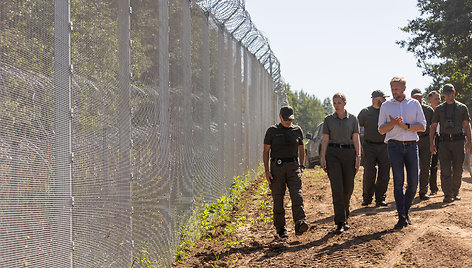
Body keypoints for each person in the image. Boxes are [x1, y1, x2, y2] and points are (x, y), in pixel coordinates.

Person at [378, 76, 426, 229]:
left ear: (404, 89)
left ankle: (405, 211)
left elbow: (422, 126)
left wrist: (405, 126)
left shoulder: (414, 104)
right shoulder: (386, 106)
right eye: (392, 89)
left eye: (396, 89)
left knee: (413, 183)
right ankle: (401, 216)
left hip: (412, 146)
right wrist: (392, 123)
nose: (394, 92)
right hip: (394, 146)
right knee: (398, 182)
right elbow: (381, 130)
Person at [263, 106, 309, 238]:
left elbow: (301, 148)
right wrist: (267, 171)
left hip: (293, 167)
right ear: (280, 117)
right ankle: (281, 228)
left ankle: (300, 223)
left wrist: (301, 165)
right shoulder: (272, 131)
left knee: (297, 196)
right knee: (278, 199)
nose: (288, 122)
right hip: (277, 168)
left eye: (290, 119)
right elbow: (266, 151)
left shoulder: (297, 130)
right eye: (285, 119)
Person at [320, 93, 361, 234]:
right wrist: (323, 157)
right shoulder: (328, 120)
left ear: (345, 103)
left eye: (339, 102)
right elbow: (325, 140)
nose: (336, 105)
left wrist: (358, 157)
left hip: (349, 154)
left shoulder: (353, 119)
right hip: (333, 154)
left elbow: (356, 140)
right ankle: (340, 222)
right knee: (337, 188)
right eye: (334, 103)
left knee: (348, 188)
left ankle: (345, 215)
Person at [429, 84, 472, 203]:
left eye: (450, 93)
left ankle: (455, 191)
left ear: (454, 92)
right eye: (446, 94)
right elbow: (433, 127)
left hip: (458, 141)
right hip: (444, 142)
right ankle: (447, 194)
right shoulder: (439, 109)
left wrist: (470, 142)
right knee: (445, 169)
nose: (448, 96)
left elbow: (467, 126)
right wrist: (431, 143)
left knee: (458, 168)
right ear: (444, 94)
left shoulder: (462, 107)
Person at [358, 90, 390, 207]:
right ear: (376, 99)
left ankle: (380, 198)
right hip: (369, 146)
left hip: (384, 146)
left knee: (384, 173)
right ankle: (367, 198)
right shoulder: (365, 112)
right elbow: (357, 129)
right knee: (369, 173)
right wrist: (359, 145)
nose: (385, 100)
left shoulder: (387, 111)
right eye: (383, 98)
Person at [411, 88, 434, 201]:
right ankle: (411, 191)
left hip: (426, 139)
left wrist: (432, 143)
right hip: (412, 140)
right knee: (412, 168)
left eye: (419, 97)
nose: (418, 99)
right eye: (415, 97)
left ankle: (423, 191)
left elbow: (433, 127)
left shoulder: (428, 110)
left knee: (425, 167)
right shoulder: (407, 109)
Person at [428, 90, 441, 195]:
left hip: (443, 138)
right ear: (430, 100)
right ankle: (433, 188)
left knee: (447, 164)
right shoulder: (427, 112)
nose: (439, 101)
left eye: (439, 98)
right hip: (432, 139)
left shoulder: (443, 110)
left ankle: (448, 187)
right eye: (436, 99)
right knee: (433, 165)